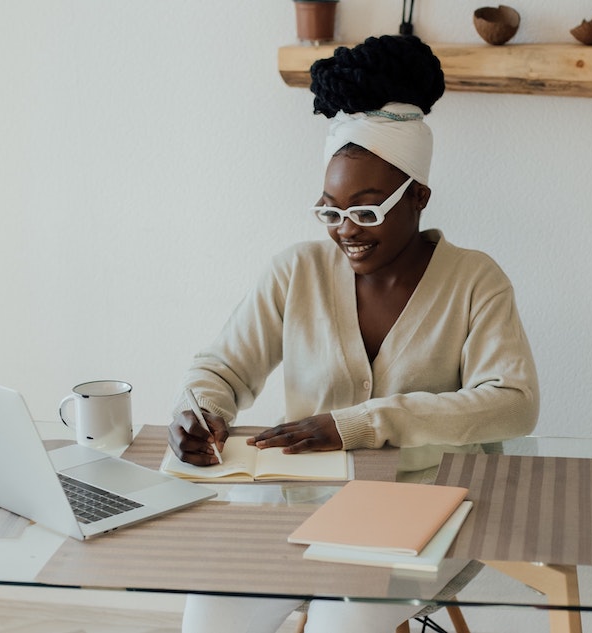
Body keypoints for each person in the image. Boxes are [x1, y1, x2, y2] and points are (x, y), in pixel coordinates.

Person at [168, 34, 538, 633]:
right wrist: (200, 409)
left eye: (366, 210)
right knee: (207, 613)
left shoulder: (476, 281)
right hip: (301, 505)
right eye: (331, 210)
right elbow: (222, 369)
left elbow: (515, 404)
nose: (346, 231)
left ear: (418, 197)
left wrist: (360, 424)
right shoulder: (298, 271)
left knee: (349, 619)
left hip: (427, 510)